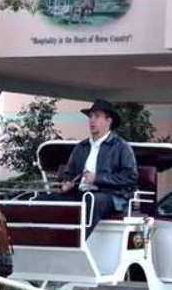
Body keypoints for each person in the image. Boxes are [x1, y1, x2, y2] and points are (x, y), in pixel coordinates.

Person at [55, 99, 138, 237]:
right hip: (81, 194)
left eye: (97, 116)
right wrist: (67, 183)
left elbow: (130, 177)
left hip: (110, 196)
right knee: (47, 199)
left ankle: (73, 241)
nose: (92, 120)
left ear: (108, 121)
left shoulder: (121, 147)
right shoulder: (81, 147)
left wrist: (97, 178)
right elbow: (69, 174)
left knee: (91, 200)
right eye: (91, 116)